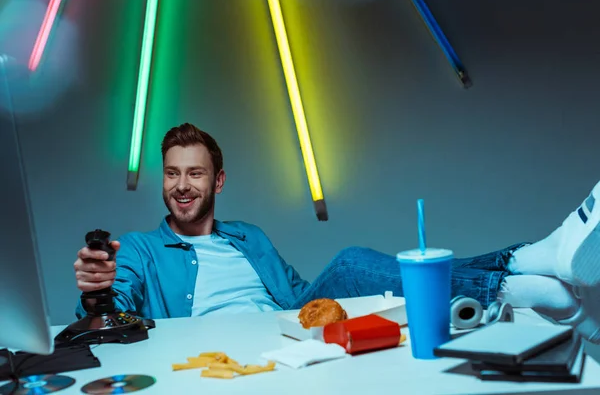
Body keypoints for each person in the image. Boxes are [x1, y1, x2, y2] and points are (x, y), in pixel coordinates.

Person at [73, 123, 600, 344]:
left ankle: (521, 275)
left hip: (287, 329)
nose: (181, 186)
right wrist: (97, 289)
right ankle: (525, 267)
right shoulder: (139, 247)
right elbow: (115, 309)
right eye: (171, 173)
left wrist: (338, 294)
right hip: (222, 345)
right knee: (357, 267)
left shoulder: (247, 235)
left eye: (194, 173)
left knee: (350, 263)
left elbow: (299, 297)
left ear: (218, 180)